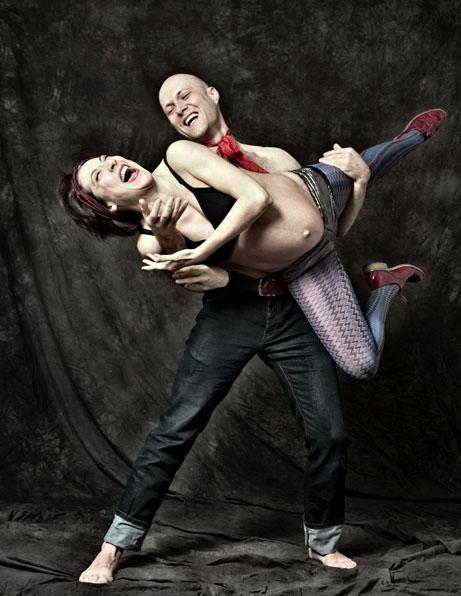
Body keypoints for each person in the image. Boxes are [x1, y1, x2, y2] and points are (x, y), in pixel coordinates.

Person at [58, 80, 445, 581]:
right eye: (101, 174)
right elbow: (203, 272)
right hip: (233, 316)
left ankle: (323, 542)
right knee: (176, 429)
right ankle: (114, 546)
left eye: (107, 158)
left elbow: (311, 224)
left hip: (294, 297)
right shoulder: (151, 238)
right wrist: (176, 240)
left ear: (212, 94)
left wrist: (361, 182)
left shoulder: (198, 157)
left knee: (329, 431)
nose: (112, 163)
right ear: (107, 204)